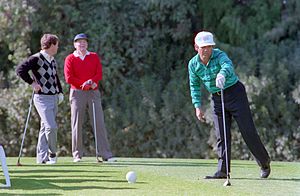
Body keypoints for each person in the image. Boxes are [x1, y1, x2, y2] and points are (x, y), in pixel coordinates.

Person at [188, 31, 271, 179]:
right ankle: (223, 171)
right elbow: (194, 85)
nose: (206, 49)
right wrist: (197, 106)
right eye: (203, 47)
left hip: (235, 94)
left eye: (209, 46)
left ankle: (264, 162)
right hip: (217, 99)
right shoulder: (193, 64)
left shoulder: (219, 55)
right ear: (196, 47)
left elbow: (227, 64)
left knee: (248, 132)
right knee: (221, 135)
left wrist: (222, 74)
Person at [64, 33, 115, 163]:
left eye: (84, 42)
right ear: (74, 45)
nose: (82, 44)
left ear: (87, 44)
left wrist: (92, 81)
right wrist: (83, 84)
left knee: (99, 122)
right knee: (77, 123)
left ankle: (105, 154)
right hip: (77, 93)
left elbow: (99, 73)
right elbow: (69, 78)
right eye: (79, 42)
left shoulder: (94, 57)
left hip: (93, 91)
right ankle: (77, 154)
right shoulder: (70, 58)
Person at [16, 34, 63, 164]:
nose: (58, 47)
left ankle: (42, 159)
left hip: (53, 97)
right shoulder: (36, 58)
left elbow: (55, 78)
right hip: (42, 98)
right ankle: (52, 154)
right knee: (51, 127)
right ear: (51, 45)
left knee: (44, 128)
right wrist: (32, 83)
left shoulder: (52, 60)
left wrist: (60, 92)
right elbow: (20, 70)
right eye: (57, 44)